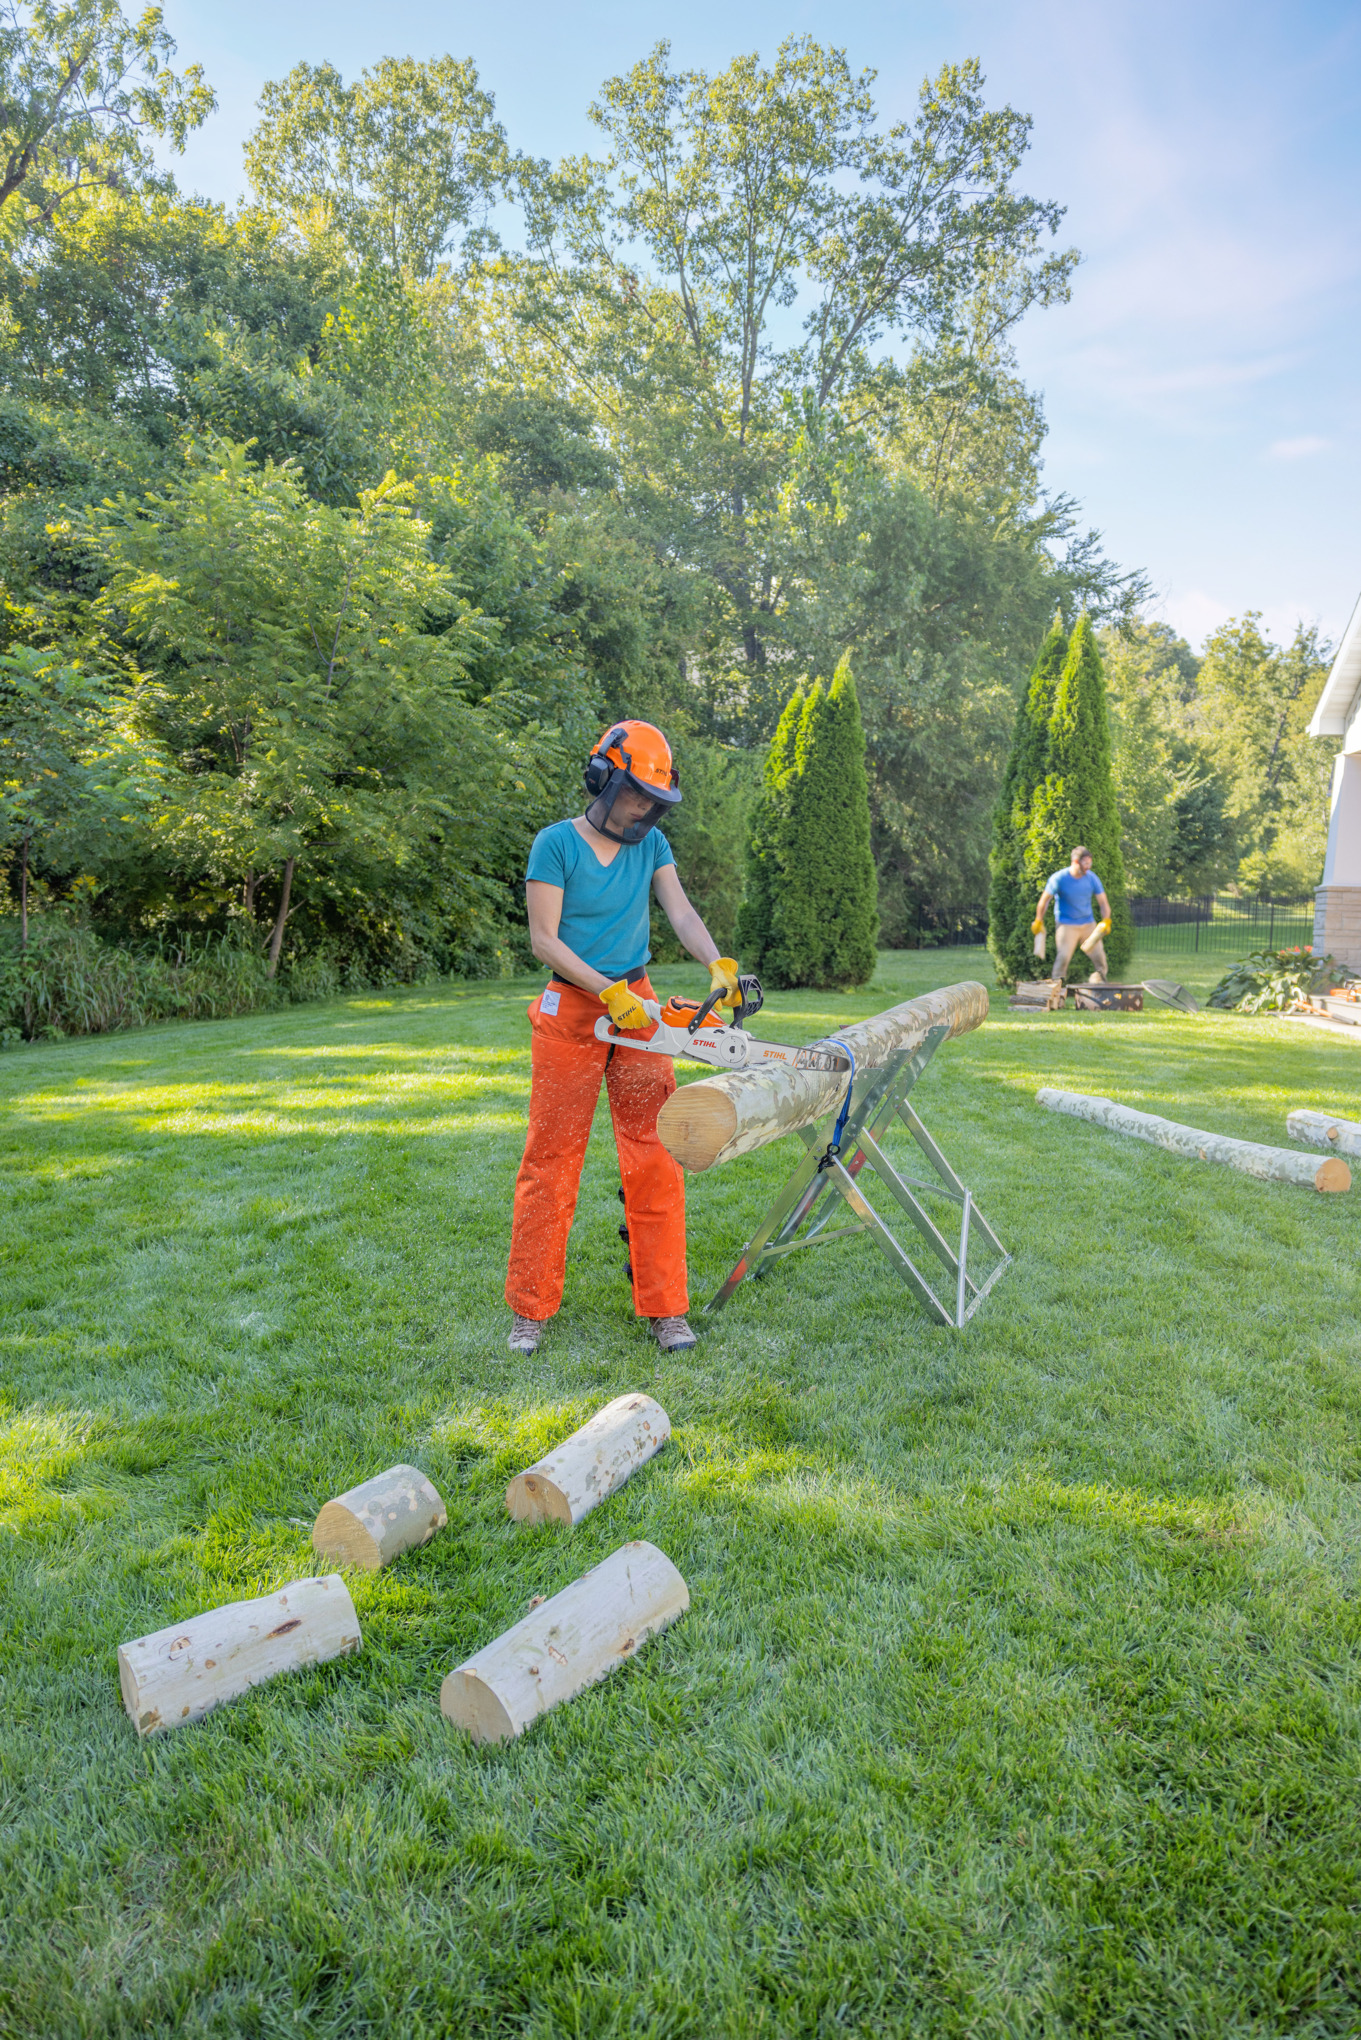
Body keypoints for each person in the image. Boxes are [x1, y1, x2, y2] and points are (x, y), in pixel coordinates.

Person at [505, 720, 739, 1357]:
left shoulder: (652, 846)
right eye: (637, 794)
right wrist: (604, 990)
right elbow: (544, 939)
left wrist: (720, 967)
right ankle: (530, 1309)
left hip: (637, 1009)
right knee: (550, 1160)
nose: (645, 809)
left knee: (656, 1153)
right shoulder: (554, 845)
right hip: (572, 1010)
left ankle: (667, 1308)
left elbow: (681, 913)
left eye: (654, 801)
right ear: (603, 779)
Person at [1032, 846, 1112, 983]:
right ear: (1075, 862)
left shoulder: (1092, 878)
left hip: (1088, 924)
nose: (1088, 866)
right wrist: (1038, 920)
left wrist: (1106, 920)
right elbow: (1044, 901)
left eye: (1090, 863)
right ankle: (1057, 989)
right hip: (1066, 925)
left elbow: (1103, 902)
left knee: (1099, 957)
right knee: (1063, 957)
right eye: (1085, 863)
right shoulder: (1059, 878)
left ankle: (1100, 985)